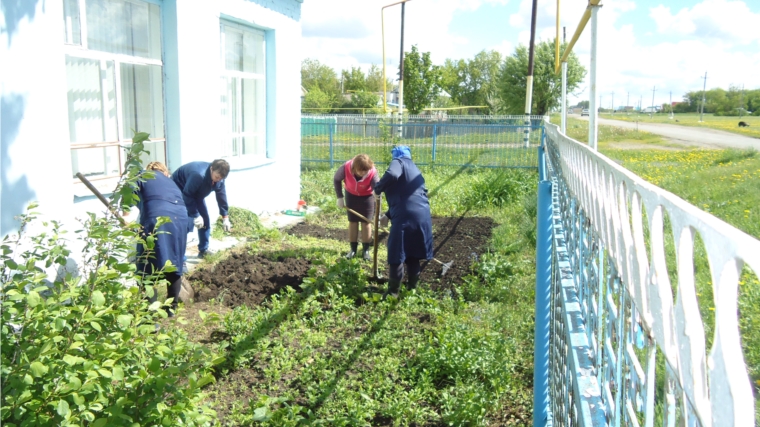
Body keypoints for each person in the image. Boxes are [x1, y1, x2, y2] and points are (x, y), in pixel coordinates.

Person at [373, 146, 433, 297]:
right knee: (413, 253)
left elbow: (392, 174)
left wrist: (377, 189)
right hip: (422, 215)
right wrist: (388, 215)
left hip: (405, 216)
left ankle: (393, 293)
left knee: (397, 252)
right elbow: (408, 196)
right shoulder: (415, 169)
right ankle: (412, 290)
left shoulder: (399, 162)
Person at [135, 162, 189, 317]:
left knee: (145, 264)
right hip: (180, 221)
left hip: (158, 219)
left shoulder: (144, 175)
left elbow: (131, 189)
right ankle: (171, 308)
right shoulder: (171, 183)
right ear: (165, 172)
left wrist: (125, 213)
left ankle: (150, 312)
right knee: (173, 262)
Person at [172, 159, 231, 258]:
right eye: (217, 177)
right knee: (185, 224)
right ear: (211, 169)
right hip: (179, 191)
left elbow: (221, 195)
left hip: (195, 193)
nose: (218, 180)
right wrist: (195, 215)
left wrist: (225, 216)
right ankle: (179, 258)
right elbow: (187, 195)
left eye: (221, 178)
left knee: (205, 220)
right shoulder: (198, 175)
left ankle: (204, 249)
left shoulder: (220, 177)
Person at [333, 154, 379, 260]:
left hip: (367, 197)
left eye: (365, 171)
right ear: (354, 168)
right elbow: (336, 179)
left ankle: (366, 251)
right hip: (351, 195)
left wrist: (377, 210)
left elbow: (377, 189)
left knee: (366, 222)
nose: (363, 173)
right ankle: (353, 249)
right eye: (360, 171)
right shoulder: (346, 167)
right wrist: (339, 197)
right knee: (353, 221)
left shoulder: (372, 172)